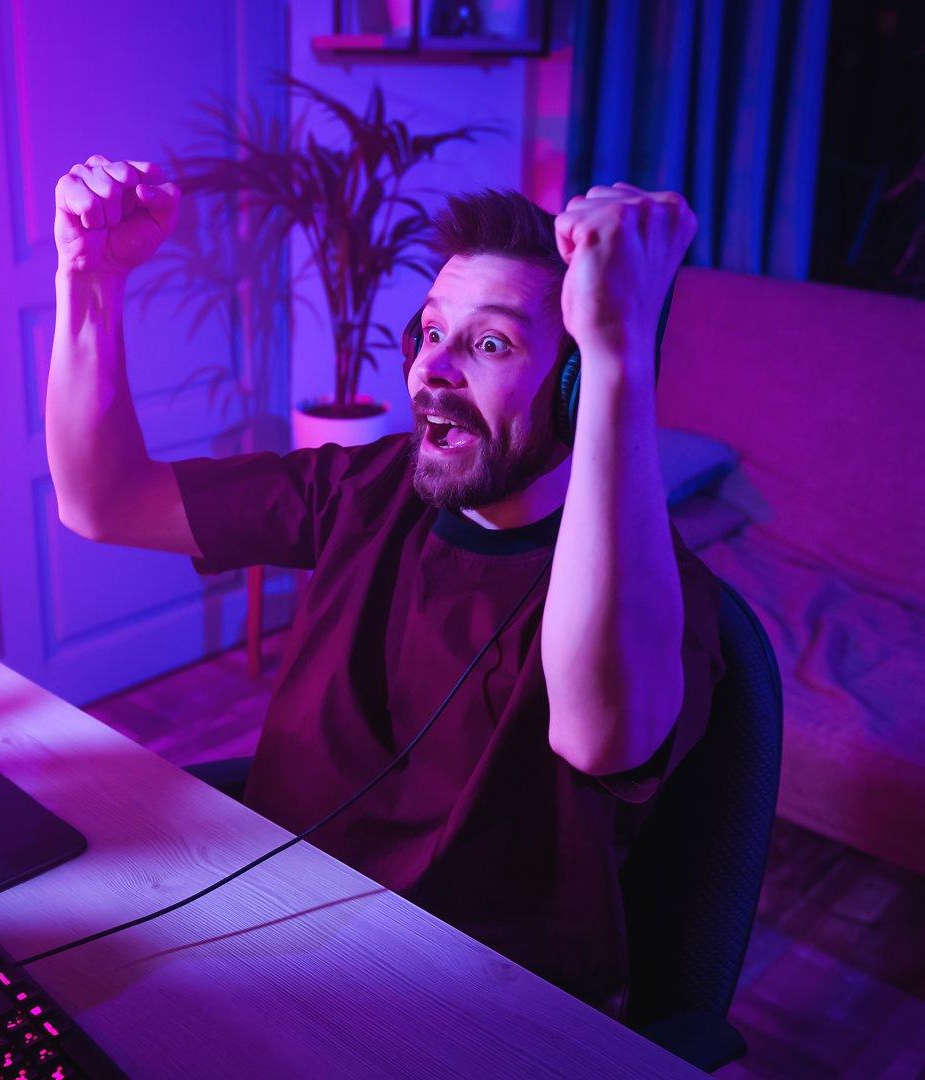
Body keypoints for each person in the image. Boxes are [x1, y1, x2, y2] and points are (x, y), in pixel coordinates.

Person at [48, 154, 726, 1023]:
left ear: (572, 386)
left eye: (489, 344)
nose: (430, 372)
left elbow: (600, 737)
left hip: (469, 1015)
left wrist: (620, 357)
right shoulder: (367, 488)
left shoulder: (654, 595)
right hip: (269, 941)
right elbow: (102, 501)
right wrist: (89, 278)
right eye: (430, 333)